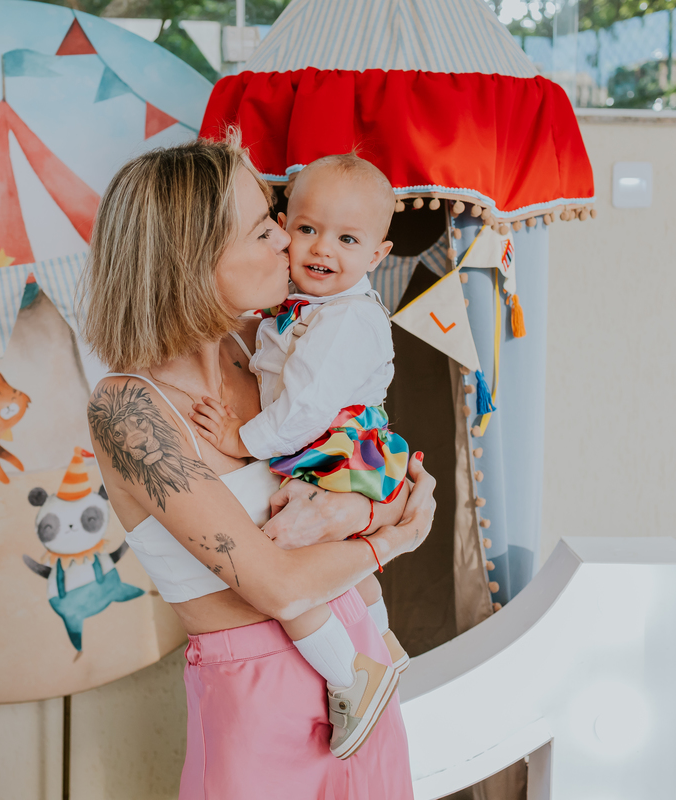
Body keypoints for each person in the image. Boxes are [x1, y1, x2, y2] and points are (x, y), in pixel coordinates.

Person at [82, 134, 436, 798]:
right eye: (262, 230)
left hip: (366, 669)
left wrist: (363, 511)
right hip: (263, 703)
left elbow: (386, 476)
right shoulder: (129, 410)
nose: (288, 241)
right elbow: (275, 582)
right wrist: (390, 537)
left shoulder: (266, 351)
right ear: (193, 260)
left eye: (278, 220)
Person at [190, 153, 410, 757]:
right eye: (307, 229)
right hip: (333, 445)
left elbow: (307, 408)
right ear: (286, 225)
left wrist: (241, 439)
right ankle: (383, 643)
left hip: (339, 446)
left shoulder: (344, 320)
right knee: (336, 556)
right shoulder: (307, 307)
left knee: (282, 545)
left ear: (377, 255)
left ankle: (350, 673)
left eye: (346, 238)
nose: (321, 249)